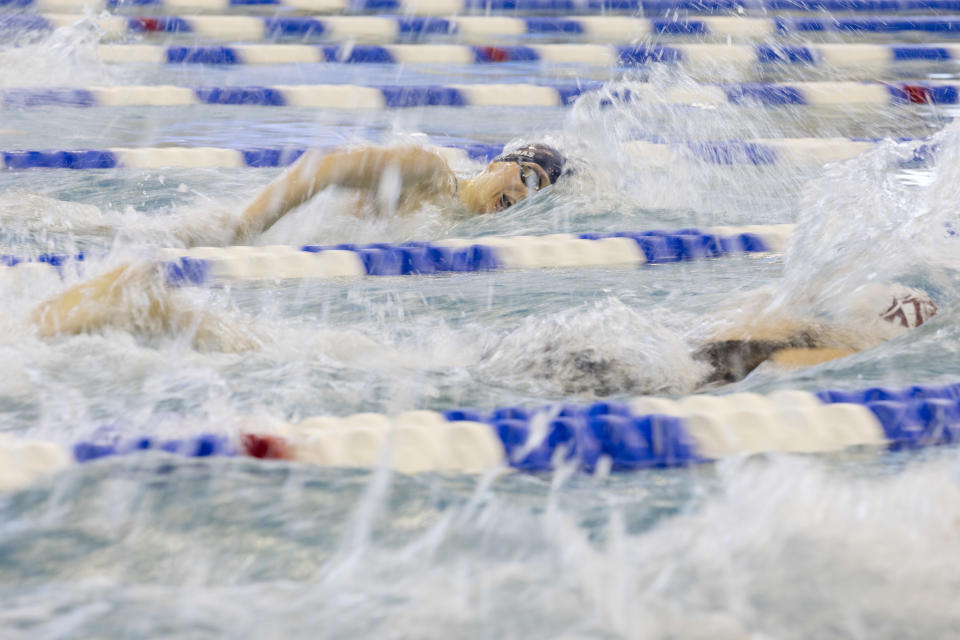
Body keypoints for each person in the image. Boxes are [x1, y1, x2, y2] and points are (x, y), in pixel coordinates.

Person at [27, 142, 939, 388]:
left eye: (538, 187)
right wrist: (238, 228)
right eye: (525, 172)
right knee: (378, 376)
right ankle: (163, 310)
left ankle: (162, 310)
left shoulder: (776, 315)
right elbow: (324, 167)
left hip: (608, 353)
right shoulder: (430, 169)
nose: (522, 191)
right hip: (620, 365)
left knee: (382, 372)